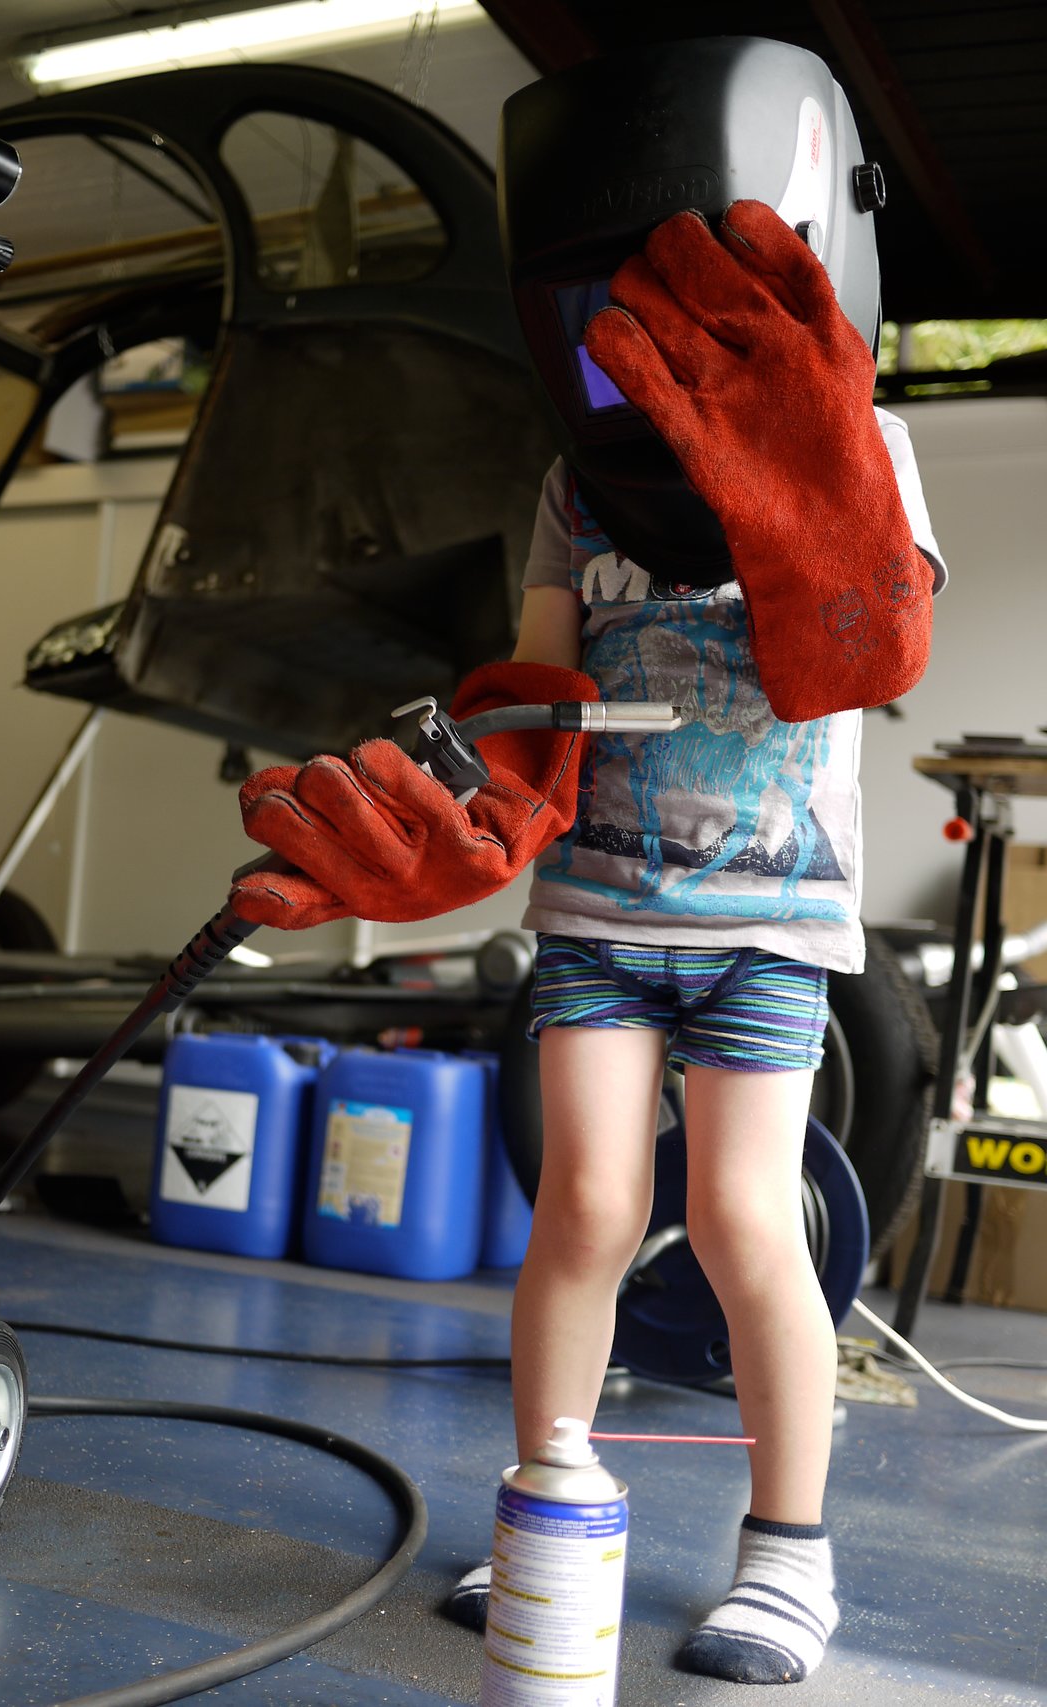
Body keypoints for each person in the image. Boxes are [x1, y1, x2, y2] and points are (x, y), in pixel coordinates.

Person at [231, 200, 945, 1685]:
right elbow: (538, 682)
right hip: (602, 917)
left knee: (752, 1223)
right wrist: (462, 810)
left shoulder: (861, 446)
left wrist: (812, 462)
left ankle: (789, 1558)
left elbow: (881, 646)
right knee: (588, 1209)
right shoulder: (585, 479)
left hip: (766, 917)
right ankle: (555, 1505)